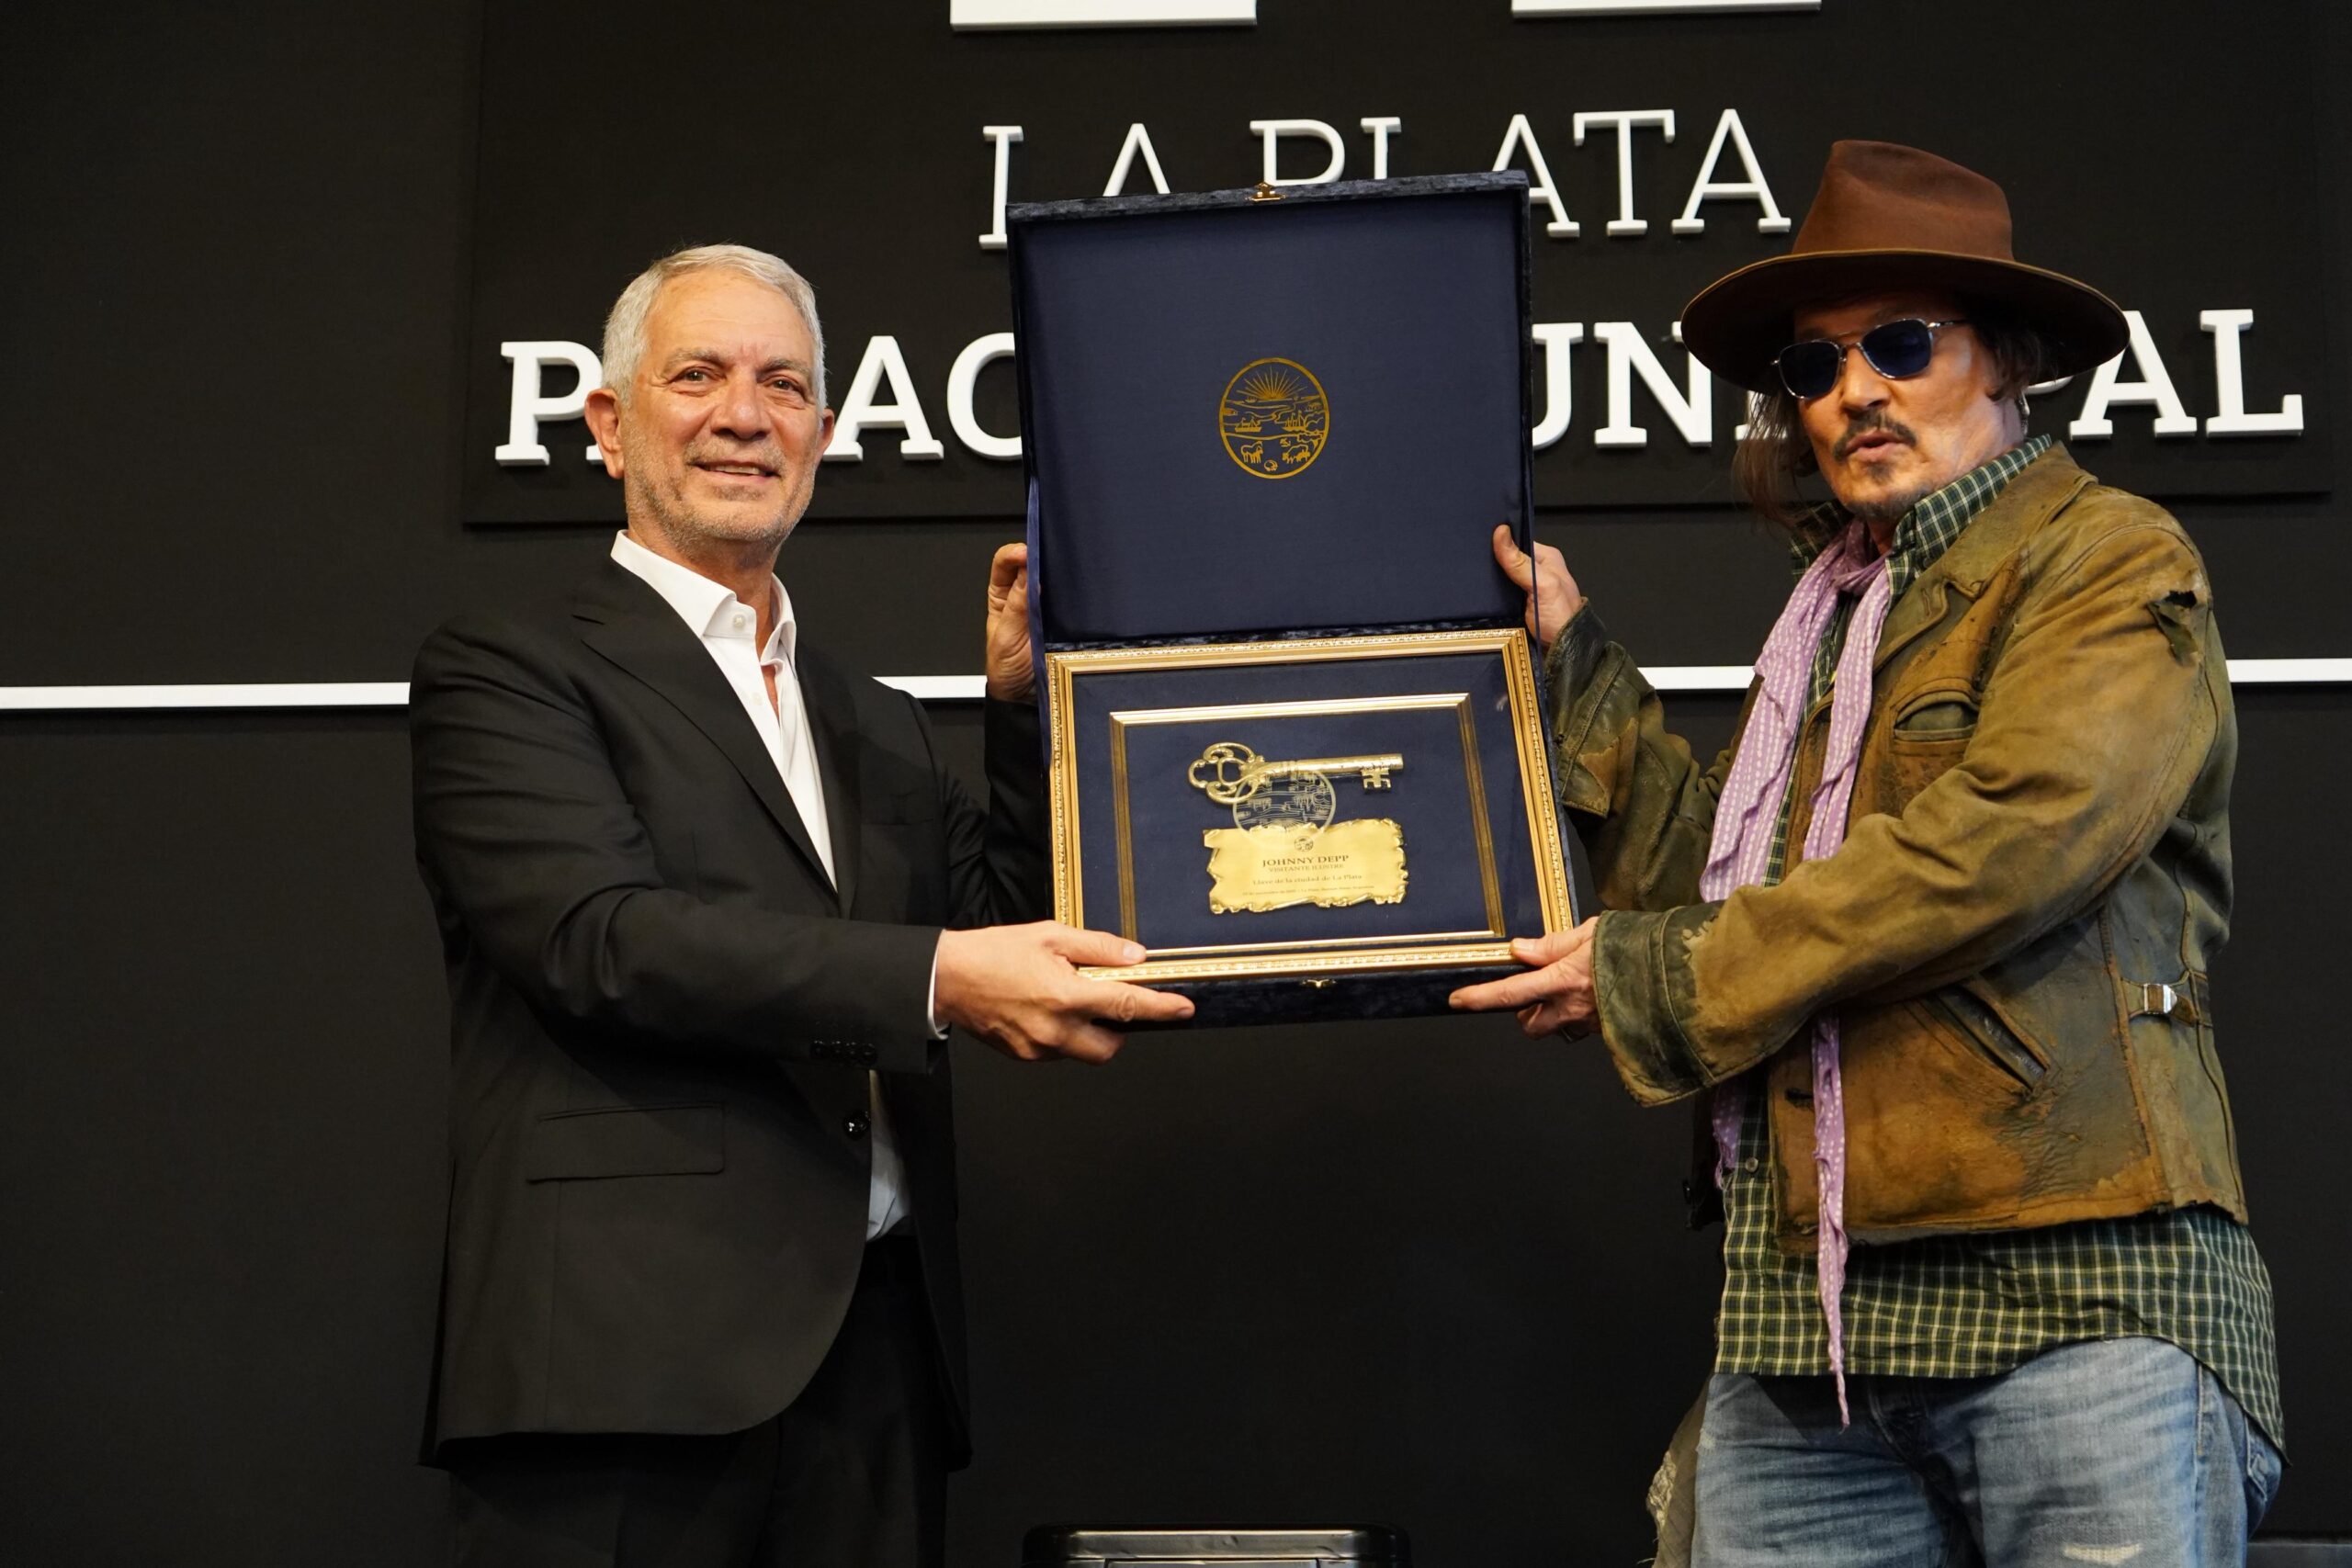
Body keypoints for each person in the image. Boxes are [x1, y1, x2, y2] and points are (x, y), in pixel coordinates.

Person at [1452, 142, 2282, 1563]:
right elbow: (1733, 900)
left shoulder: (2109, 558)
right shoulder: (1830, 624)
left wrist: (1658, 975)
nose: (1852, 392)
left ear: (2007, 359)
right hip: (1807, 1338)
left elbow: (2002, 848)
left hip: (2081, 1304)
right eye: (1813, 365)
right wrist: (1572, 666)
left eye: (1900, 344)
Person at [409, 243, 1193, 1568]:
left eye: (782, 385)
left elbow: (1017, 925)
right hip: (619, 1366)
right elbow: (597, 937)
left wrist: (1020, 707)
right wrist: (937, 980)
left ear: (823, 434)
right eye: (697, 376)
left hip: (874, 1371)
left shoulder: (872, 717)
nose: (744, 415)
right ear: (609, 423)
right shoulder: (510, 668)